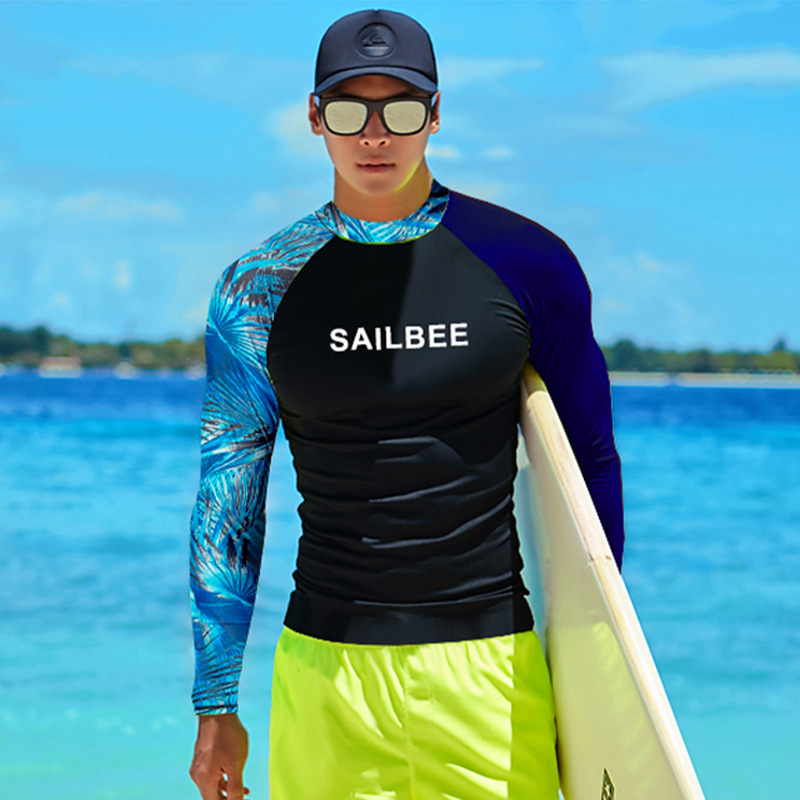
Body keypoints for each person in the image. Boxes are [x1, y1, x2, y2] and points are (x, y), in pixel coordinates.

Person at [188, 9, 624, 800]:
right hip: (326, 674)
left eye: (400, 110)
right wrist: (215, 702)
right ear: (314, 117)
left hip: (490, 672)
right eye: (349, 111)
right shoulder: (259, 287)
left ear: (435, 113)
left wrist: (602, 671)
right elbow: (229, 498)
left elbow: (589, 463)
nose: (374, 136)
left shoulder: (528, 262)